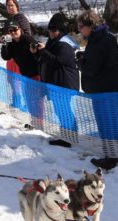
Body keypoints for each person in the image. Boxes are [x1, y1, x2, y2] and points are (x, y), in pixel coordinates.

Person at [76, 9, 118, 170]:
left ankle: (111, 157)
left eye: (81, 26)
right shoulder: (105, 37)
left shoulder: (99, 41)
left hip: (104, 91)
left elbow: (92, 69)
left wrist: (80, 62)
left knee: (106, 123)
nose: (79, 30)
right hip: (110, 89)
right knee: (113, 121)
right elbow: (98, 62)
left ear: (90, 25)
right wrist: (84, 57)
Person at [30, 13, 79, 148]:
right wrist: (37, 53)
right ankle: (68, 136)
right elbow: (45, 61)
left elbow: (58, 61)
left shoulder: (64, 44)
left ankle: (69, 138)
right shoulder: (53, 42)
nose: (51, 33)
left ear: (60, 31)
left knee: (63, 109)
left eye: (54, 30)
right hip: (56, 83)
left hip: (64, 83)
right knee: (60, 110)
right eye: (49, 30)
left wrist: (44, 51)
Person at [1, 21, 43, 125]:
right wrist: (4, 45)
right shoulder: (11, 43)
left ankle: (39, 122)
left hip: (36, 73)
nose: (13, 32)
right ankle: (34, 121)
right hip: (25, 75)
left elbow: (39, 55)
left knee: (36, 99)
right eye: (10, 31)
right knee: (29, 99)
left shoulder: (27, 39)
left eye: (15, 30)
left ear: (20, 29)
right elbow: (6, 56)